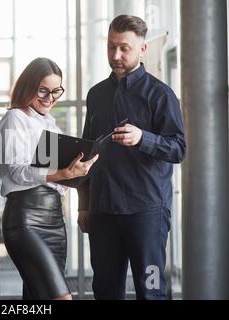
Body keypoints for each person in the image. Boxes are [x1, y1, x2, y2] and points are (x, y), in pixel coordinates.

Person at [77, 15, 186, 300]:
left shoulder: (161, 95)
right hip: (102, 211)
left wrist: (143, 138)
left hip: (146, 211)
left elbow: (178, 148)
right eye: (111, 47)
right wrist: (84, 205)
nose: (116, 55)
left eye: (124, 48)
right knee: (105, 292)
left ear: (142, 50)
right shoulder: (95, 95)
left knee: (150, 293)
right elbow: (88, 153)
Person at [0, 57, 98, 300]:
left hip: (54, 219)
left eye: (56, 91)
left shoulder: (51, 124)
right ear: (28, 86)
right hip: (26, 219)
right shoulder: (16, 118)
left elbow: (54, 178)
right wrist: (61, 174)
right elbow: (17, 171)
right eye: (43, 90)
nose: (50, 97)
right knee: (60, 297)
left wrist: (75, 173)